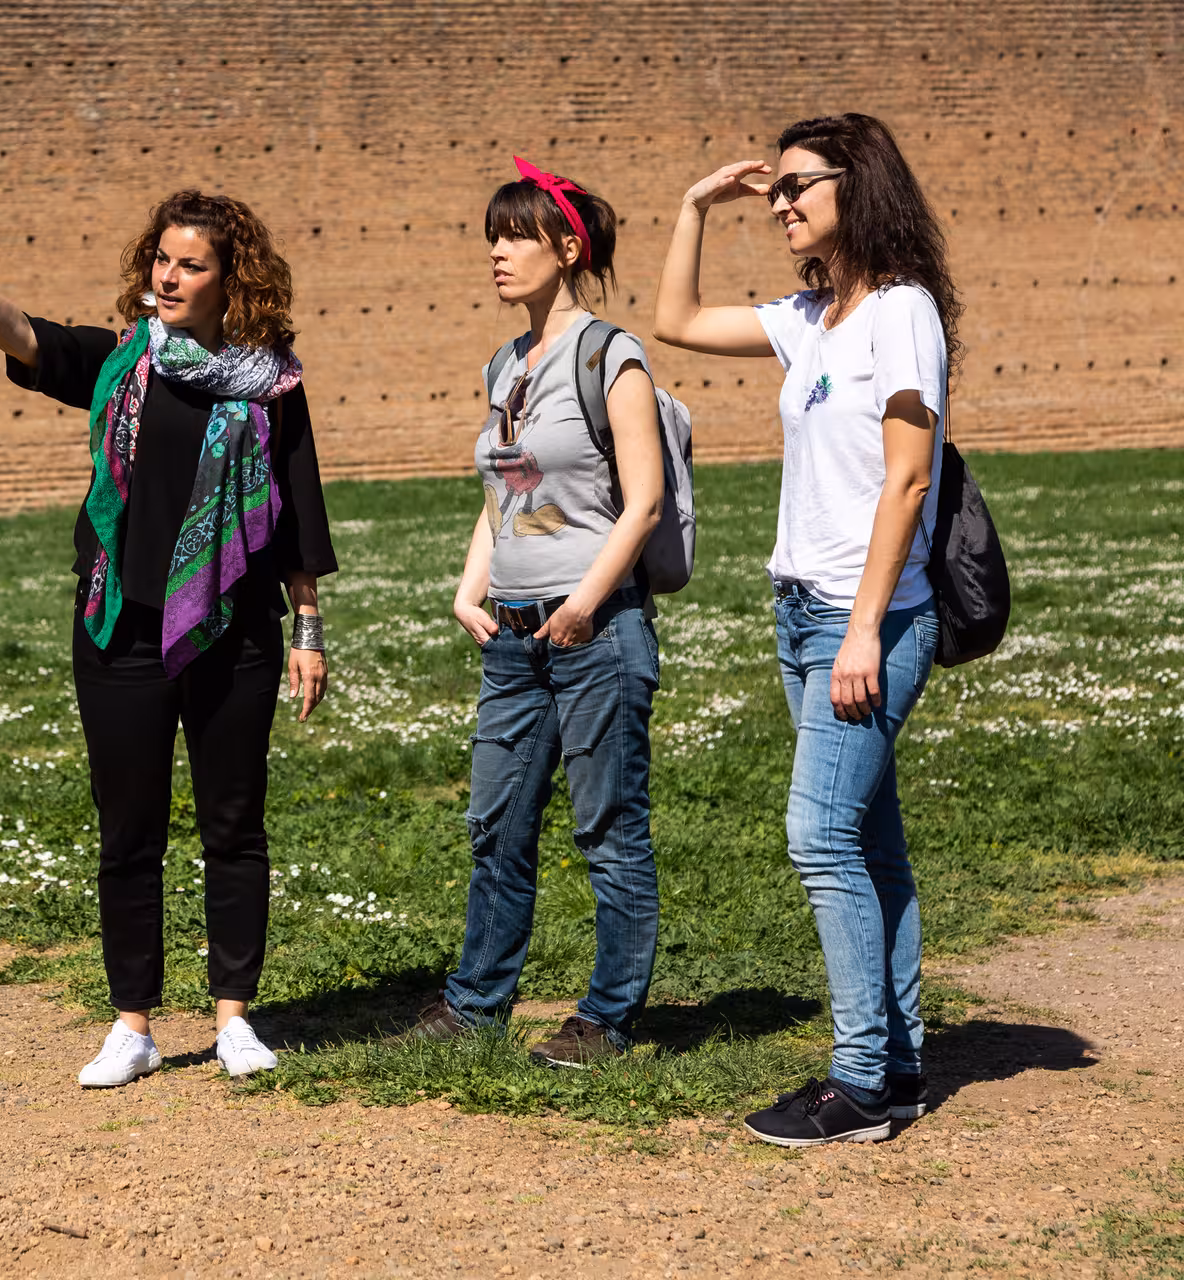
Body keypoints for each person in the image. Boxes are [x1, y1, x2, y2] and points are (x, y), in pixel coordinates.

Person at [0, 190, 338, 1088]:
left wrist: (307, 629)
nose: (168, 277)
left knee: (234, 825)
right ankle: (132, 1026)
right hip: (119, 632)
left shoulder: (273, 384)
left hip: (235, 630)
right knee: (129, 831)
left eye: (191, 265)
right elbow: (30, 340)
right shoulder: (122, 362)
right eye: (161, 259)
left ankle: (234, 1020)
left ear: (232, 280)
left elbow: (298, 509)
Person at [654, 113, 960, 1146]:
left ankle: (861, 1080)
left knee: (821, 838)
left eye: (799, 184)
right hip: (801, 612)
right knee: (869, 841)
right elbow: (677, 320)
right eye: (775, 187)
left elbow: (908, 478)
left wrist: (865, 630)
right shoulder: (812, 317)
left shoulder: (902, 312)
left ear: (855, 186)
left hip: (864, 617)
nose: (780, 201)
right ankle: (899, 1067)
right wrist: (696, 205)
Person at [394, 159, 666, 1068]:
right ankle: (476, 1004)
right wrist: (470, 587)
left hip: (596, 631)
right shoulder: (505, 366)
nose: (498, 253)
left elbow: (644, 503)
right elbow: (511, 496)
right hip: (513, 638)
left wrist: (584, 605)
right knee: (497, 826)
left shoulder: (611, 357)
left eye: (516, 235)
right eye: (493, 238)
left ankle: (606, 1019)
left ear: (568, 248)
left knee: (608, 831)